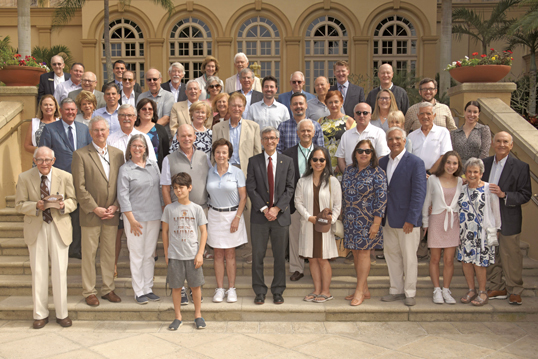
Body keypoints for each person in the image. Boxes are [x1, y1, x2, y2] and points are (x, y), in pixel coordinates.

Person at [15, 146, 77, 329]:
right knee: (39, 272)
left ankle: (62, 313)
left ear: (54, 160)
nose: (44, 164)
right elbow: (19, 205)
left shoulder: (65, 176)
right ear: (34, 160)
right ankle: (40, 314)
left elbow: (74, 200)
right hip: (37, 226)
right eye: (40, 160)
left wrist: (63, 205)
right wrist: (36, 205)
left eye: (47, 160)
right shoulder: (24, 177)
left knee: (59, 272)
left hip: (59, 227)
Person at [72, 117, 125, 307]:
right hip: (91, 214)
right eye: (96, 130)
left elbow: (122, 184)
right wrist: (95, 208)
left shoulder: (118, 154)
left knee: (109, 254)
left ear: (108, 131)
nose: (100, 133)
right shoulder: (80, 155)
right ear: (90, 133)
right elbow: (80, 187)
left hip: (112, 213)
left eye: (103, 130)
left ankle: (108, 289)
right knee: (89, 254)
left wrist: (116, 205)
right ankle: (89, 291)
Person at [161, 124, 211, 304]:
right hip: (177, 213)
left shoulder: (205, 157)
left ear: (195, 137)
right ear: (177, 138)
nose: (187, 139)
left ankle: (194, 288)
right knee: (178, 252)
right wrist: (170, 211)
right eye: (183, 136)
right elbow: (165, 187)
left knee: (196, 252)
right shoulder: (169, 159)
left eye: (190, 135)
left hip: (200, 211)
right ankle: (180, 289)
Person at [246, 127, 295, 305]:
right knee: (257, 256)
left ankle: (278, 290)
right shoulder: (254, 161)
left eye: (272, 138)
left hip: (280, 217)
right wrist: (264, 209)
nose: (269, 141)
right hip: (260, 217)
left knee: (279, 256)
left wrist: (277, 209)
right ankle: (259, 291)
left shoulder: (287, 161)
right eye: (266, 138)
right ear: (261, 141)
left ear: (278, 140)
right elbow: (251, 188)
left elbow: (290, 188)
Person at [39, 98, 92, 259]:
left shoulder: (84, 129)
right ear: (60, 111)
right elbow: (44, 154)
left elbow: (90, 153)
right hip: (59, 179)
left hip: (82, 179)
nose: (70, 112)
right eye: (67, 109)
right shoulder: (49, 129)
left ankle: (76, 249)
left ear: (77, 111)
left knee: (78, 215)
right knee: (60, 214)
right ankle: (59, 248)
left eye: (73, 110)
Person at [379, 127, 426, 306]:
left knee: (409, 257)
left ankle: (410, 292)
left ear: (405, 140)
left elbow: (419, 193)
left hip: (407, 221)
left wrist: (412, 219)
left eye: (398, 138)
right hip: (388, 219)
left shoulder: (415, 162)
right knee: (392, 255)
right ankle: (396, 290)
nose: (394, 142)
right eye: (390, 139)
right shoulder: (382, 162)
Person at [212, 92, 262, 263]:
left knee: (246, 209)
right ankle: (224, 246)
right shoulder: (218, 127)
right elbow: (214, 153)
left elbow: (257, 152)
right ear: (228, 107)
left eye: (240, 105)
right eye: (233, 105)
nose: (236, 108)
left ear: (244, 108)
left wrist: (257, 176)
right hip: (224, 171)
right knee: (224, 210)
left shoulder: (253, 126)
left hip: (246, 172)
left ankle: (247, 250)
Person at [484, 131, 532, 305]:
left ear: (511, 145)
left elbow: (525, 194)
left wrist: (504, 195)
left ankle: (514, 289)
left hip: (508, 218)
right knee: (491, 254)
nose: (501, 144)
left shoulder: (520, 166)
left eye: (505, 142)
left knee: (511, 255)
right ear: (492, 144)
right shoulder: (484, 164)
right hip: (487, 218)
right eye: (498, 141)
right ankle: (497, 285)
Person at [117, 135, 163, 304]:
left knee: (149, 254)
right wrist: (131, 219)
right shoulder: (125, 169)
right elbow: (123, 196)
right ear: (130, 148)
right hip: (134, 219)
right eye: (134, 146)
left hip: (154, 216)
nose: (137, 149)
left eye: (140, 146)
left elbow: (159, 190)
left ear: (145, 148)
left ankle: (148, 288)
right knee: (137, 255)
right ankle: (139, 291)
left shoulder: (154, 166)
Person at [342, 140, 387, 306]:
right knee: (355, 253)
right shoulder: (348, 171)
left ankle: (359, 290)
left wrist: (376, 223)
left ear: (372, 154)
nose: (363, 154)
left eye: (367, 151)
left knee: (364, 254)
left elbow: (381, 200)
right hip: (350, 219)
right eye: (360, 150)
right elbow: (343, 195)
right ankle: (365, 288)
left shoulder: (378, 173)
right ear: (355, 153)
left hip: (368, 220)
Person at [295, 146, 341, 303]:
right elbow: (298, 202)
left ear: (326, 161)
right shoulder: (303, 180)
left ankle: (326, 292)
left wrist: (330, 221)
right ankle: (316, 290)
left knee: (323, 259)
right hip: (309, 225)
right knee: (313, 259)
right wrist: (309, 217)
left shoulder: (332, 181)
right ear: (310, 161)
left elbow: (337, 205)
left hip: (324, 228)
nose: (318, 162)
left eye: (322, 159)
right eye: (315, 159)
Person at [162, 172, 208, 330]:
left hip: (193, 255)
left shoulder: (197, 209)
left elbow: (204, 232)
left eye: (181, 187)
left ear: (189, 188)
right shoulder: (169, 209)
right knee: (176, 287)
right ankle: (177, 317)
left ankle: (198, 315)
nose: (178, 191)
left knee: (195, 286)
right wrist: (167, 253)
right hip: (175, 255)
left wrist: (200, 253)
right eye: (175, 188)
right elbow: (165, 232)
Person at [206, 139, 248, 303]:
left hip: (233, 216)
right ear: (214, 154)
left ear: (229, 155)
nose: (221, 155)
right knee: (217, 254)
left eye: (224, 152)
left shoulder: (237, 172)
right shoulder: (209, 172)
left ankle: (231, 289)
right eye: (218, 152)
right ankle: (219, 289)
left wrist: (237, 218)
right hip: (214, 216)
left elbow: (243, 197)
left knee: (230, 254)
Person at [458, 157, 501, 306]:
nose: (472, 175)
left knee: (480, 264)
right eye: (469, 171)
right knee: (466, 262)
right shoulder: (462, 189)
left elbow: (496, 212)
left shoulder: (489, 189)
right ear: (465, 173)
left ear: (481, 173)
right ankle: (471, 289)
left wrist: (496, 231)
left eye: (475, 172)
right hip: (464, 233)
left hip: (481, 233)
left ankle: (482, 292)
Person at [422, 151, 463, 304]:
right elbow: (426, 202)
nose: (451, 166)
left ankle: (446, 289)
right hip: (436, 221)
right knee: (434, 258)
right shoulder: (432, 179)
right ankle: (437, 289)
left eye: (455, 163)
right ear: (443, 163)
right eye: (448, 162)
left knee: (449, 260)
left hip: (453, 222)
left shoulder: (460, 181)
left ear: (458, 166)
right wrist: (425, 223)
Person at [283, 119, 316, 281]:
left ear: (314, 133)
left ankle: (316, 266)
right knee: (294, 235)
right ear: (297, 133)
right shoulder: (288, 153)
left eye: (309, 130)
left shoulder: (320, 152)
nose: (306, 133)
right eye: (303, 131)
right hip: (294, 203)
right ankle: (297, 268)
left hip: (316, 202)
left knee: (315, 235)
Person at [335, 102, 390, 172]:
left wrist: (372, 174)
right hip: (350, 178)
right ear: (354, 115)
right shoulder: (346, 135)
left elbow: (382, 157)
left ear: (370, 115)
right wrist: (347, 174)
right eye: (358, 113)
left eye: (365, 113)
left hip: (372, 178)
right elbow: (340, 157)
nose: (361, 115)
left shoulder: (379, 133)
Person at [407, 102, 453, 173]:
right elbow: (408, 158)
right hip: (416, 175)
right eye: (422, 113)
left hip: (437, 175)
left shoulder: (443, 132)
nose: (425, 116)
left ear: (434, 115)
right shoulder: (411, 136)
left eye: (428, 113)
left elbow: (445, 155)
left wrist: (430, 173)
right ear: (418, 116)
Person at [318, 90, 355, 175]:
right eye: (330, 102)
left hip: (342, 165)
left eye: (336, 102)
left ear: (341, 102)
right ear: (326, 104)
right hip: (323, 165)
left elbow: (352, 144)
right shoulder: (320, 121)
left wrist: (341, 163)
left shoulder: (349, 121)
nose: (333, 105)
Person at [137, 68, 175, 139]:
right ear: (146, 81)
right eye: (149, 79)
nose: (152, 82)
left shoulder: (168, 96)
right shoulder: (141, 97)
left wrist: (149, 130)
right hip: (143, 136)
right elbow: (138, 116)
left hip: (162, 137)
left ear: (160, 80)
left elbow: (166, 118)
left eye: (155, 79)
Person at [135, 98, 170, 170]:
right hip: (135, 169)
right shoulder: (133, 130)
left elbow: (165, 153)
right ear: (138, 112)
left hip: (156, 170)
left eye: (150, 109)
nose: (147, 111)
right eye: (144, 109)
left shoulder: (160, 129)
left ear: (153, 112)